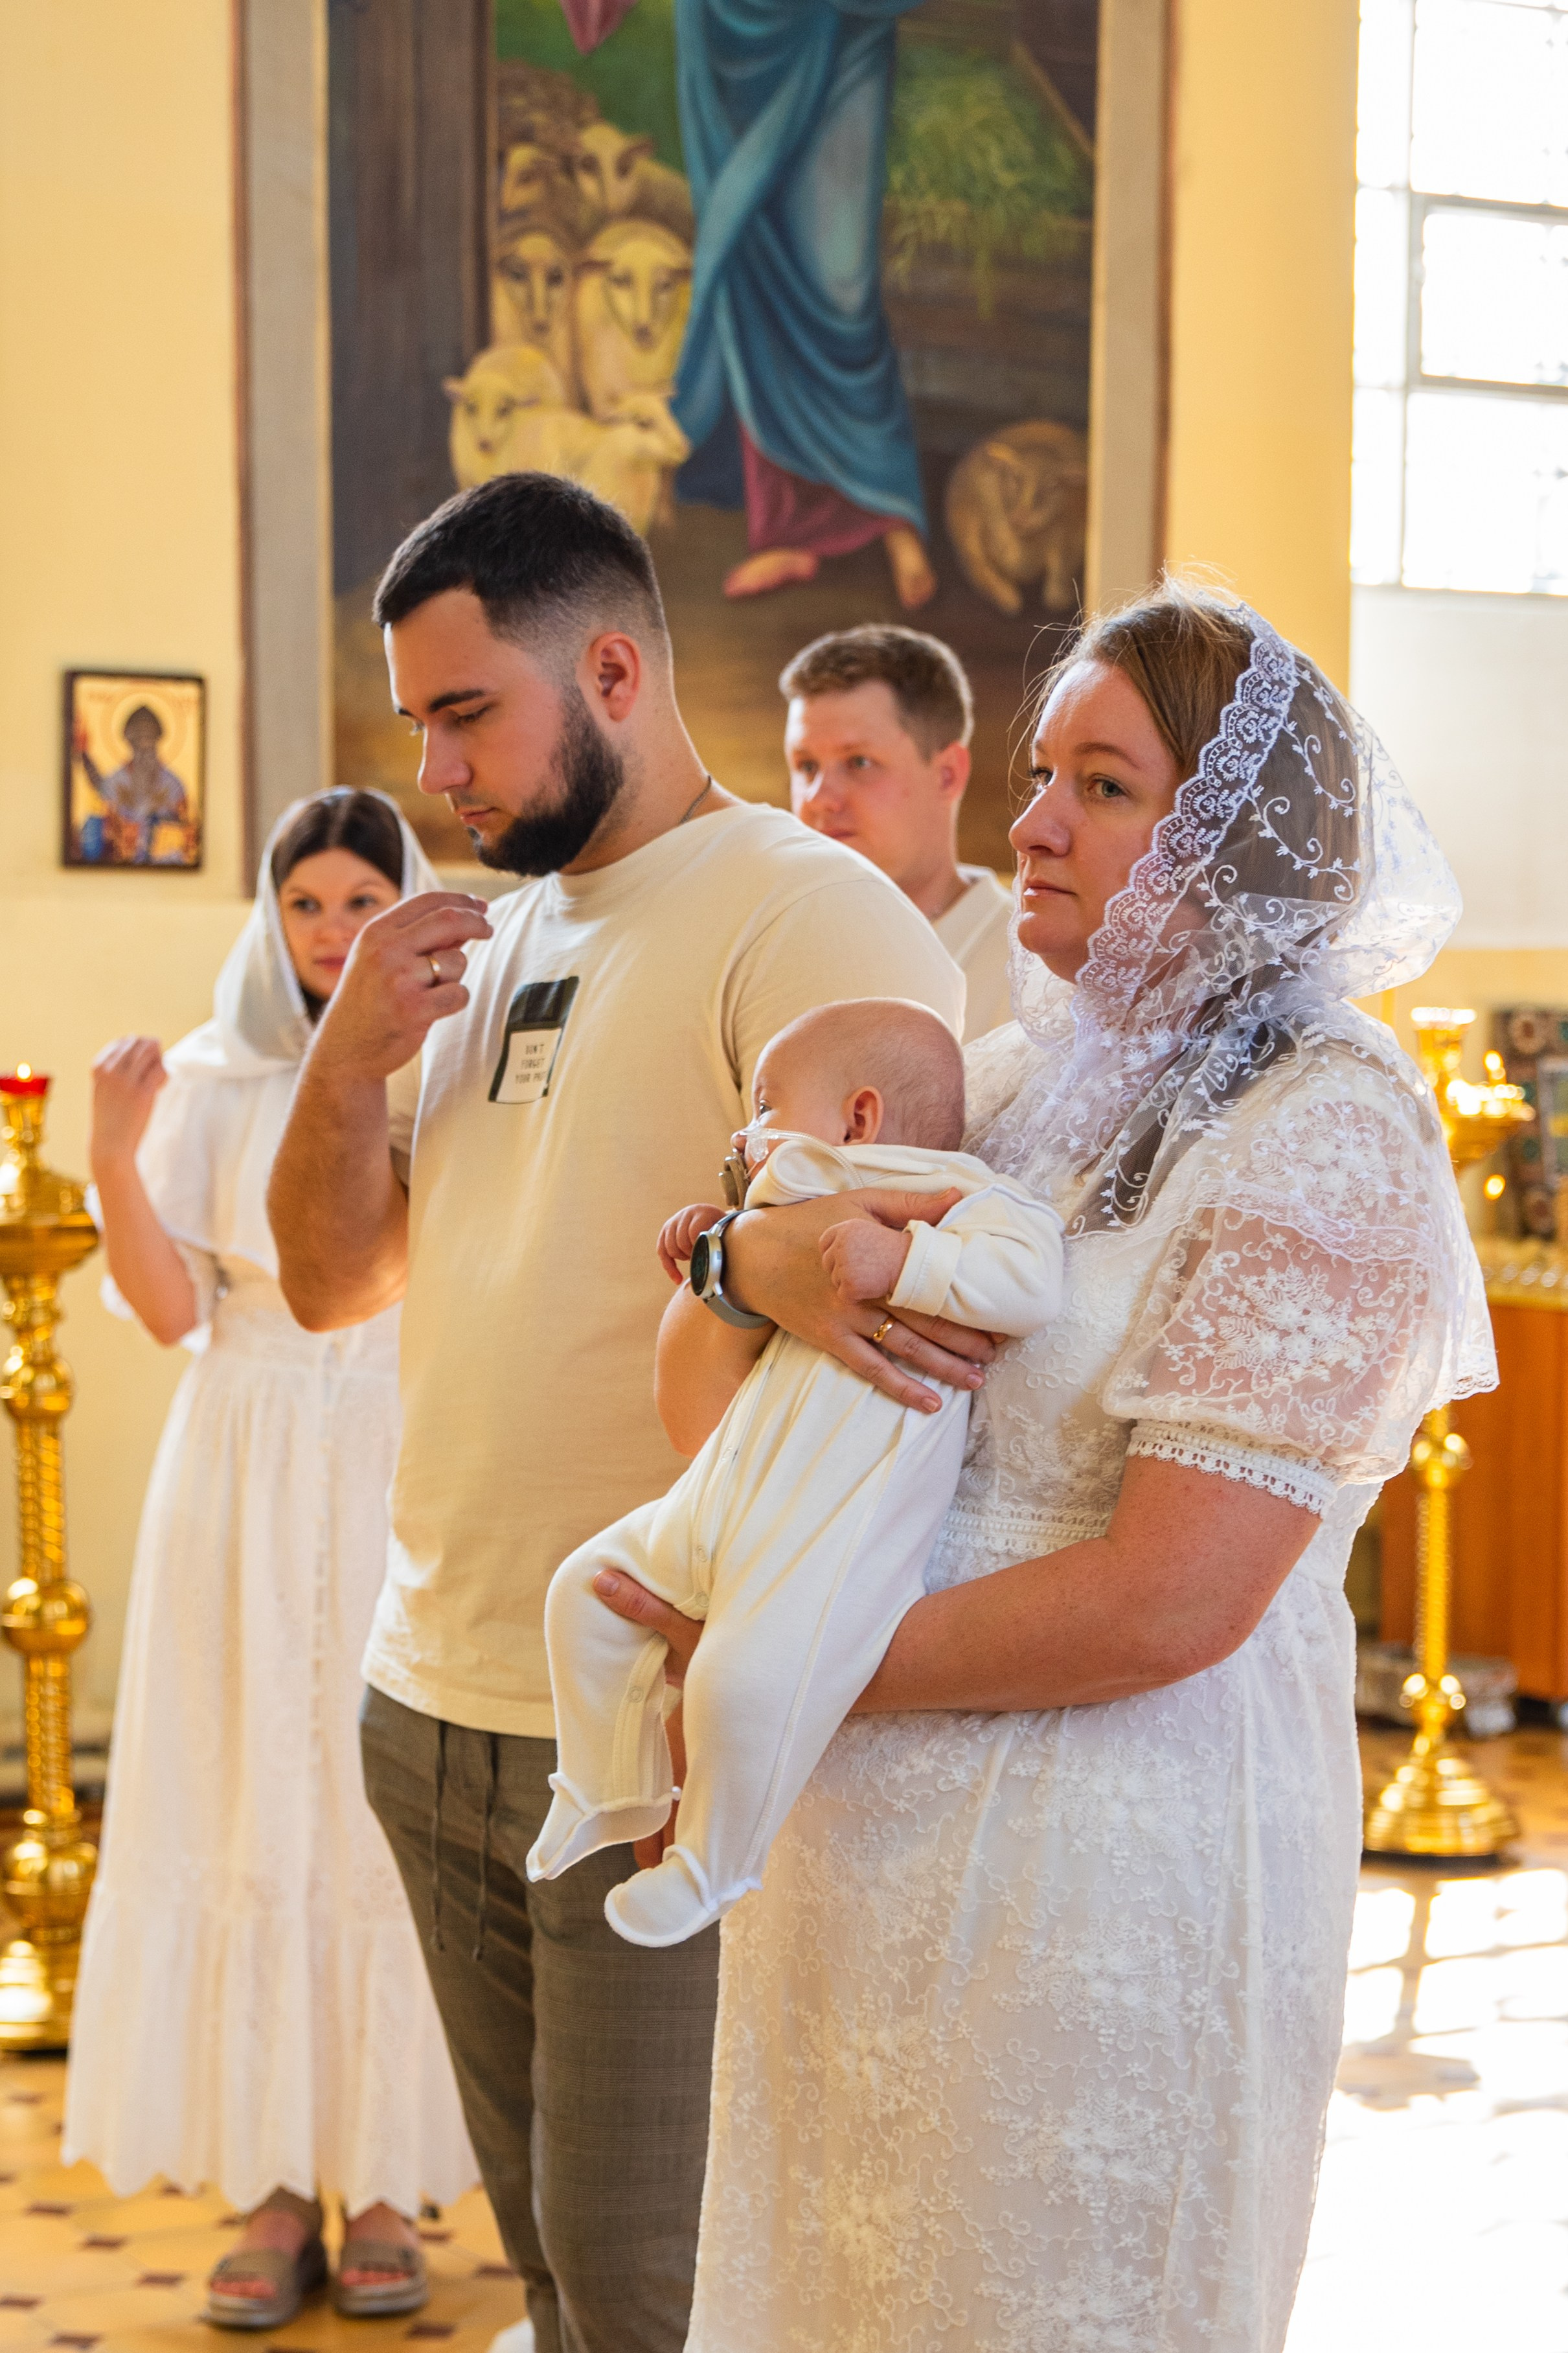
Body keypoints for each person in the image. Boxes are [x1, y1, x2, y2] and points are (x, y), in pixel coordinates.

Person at [596, 582, 1495, 2349]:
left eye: (1100, 784)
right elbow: (721, 1414)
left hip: (1113, 1846)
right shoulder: (1001, 1080)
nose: (1027, 826)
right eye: (1038, 775)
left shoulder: (1326, 1130)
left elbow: (1176, 1595)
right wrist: (740, 1261)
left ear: (1235, 836)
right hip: (856, 1840)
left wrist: (786, 1661)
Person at [264, 472, 964, 2353]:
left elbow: (896, 1330)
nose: (436, 769)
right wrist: (347, 1060)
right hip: (432, 1693)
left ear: (618, 667)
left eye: (468, 711)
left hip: (648, 1722)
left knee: (661, 2296)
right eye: (418, 721)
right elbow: (338, 1279)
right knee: (559, 2277)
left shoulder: (807, 913)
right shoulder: (488, 941)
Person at [63, 790, 476, 2329]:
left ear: (406, 903)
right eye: (305, 899)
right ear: (272, 910)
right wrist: (115, 1152)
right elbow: (174, 1310)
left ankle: (382, 2185)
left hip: (387, 1449)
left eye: (362, 895)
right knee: (244, 1792)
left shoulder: (446, 1074)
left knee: (376, 1817)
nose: (330, 927)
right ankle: (272, 2183)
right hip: (236, 1457)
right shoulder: (217, 1071)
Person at [528, 997, 1062, 1947]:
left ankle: (711, 1866)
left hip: (833, 1504)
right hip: (729, 1486)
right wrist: (719, 1238)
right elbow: (727, 1305)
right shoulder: (780, 1204)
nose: (745, 1126)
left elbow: (1027, 1286)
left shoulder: (962, 1193)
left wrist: (899, 1259)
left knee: (741, 1676)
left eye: (767, 1101)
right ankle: (605, 1787)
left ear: (859, 1119)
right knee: (587, 1591)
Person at [668, 0, 937, 608]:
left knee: (839, 281)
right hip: (731, 25)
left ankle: (888, 504)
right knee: (749, 250)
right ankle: (784, 527)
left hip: (846, 22)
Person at [782, 626, 1014, 1040]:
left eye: (859, 763)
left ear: (946, 776)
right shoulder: (773, 953)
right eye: (806, 766)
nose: (820, 798)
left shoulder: (1031, 974)